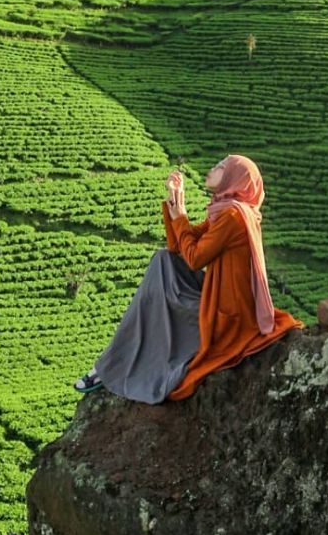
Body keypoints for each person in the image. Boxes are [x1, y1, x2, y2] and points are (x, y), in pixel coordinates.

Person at [74, 154, 304, 402]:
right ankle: (116, 359)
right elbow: (178, 248)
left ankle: (111, 364)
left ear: (234, 179)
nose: (213, 168)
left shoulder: (234, 217)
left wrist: (180, 216)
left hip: (225, 315)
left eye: (221, 167)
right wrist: (176, 201)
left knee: (154, 293)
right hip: (216, 295)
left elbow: (194, 258)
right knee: (163, 261)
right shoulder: (226, 211)